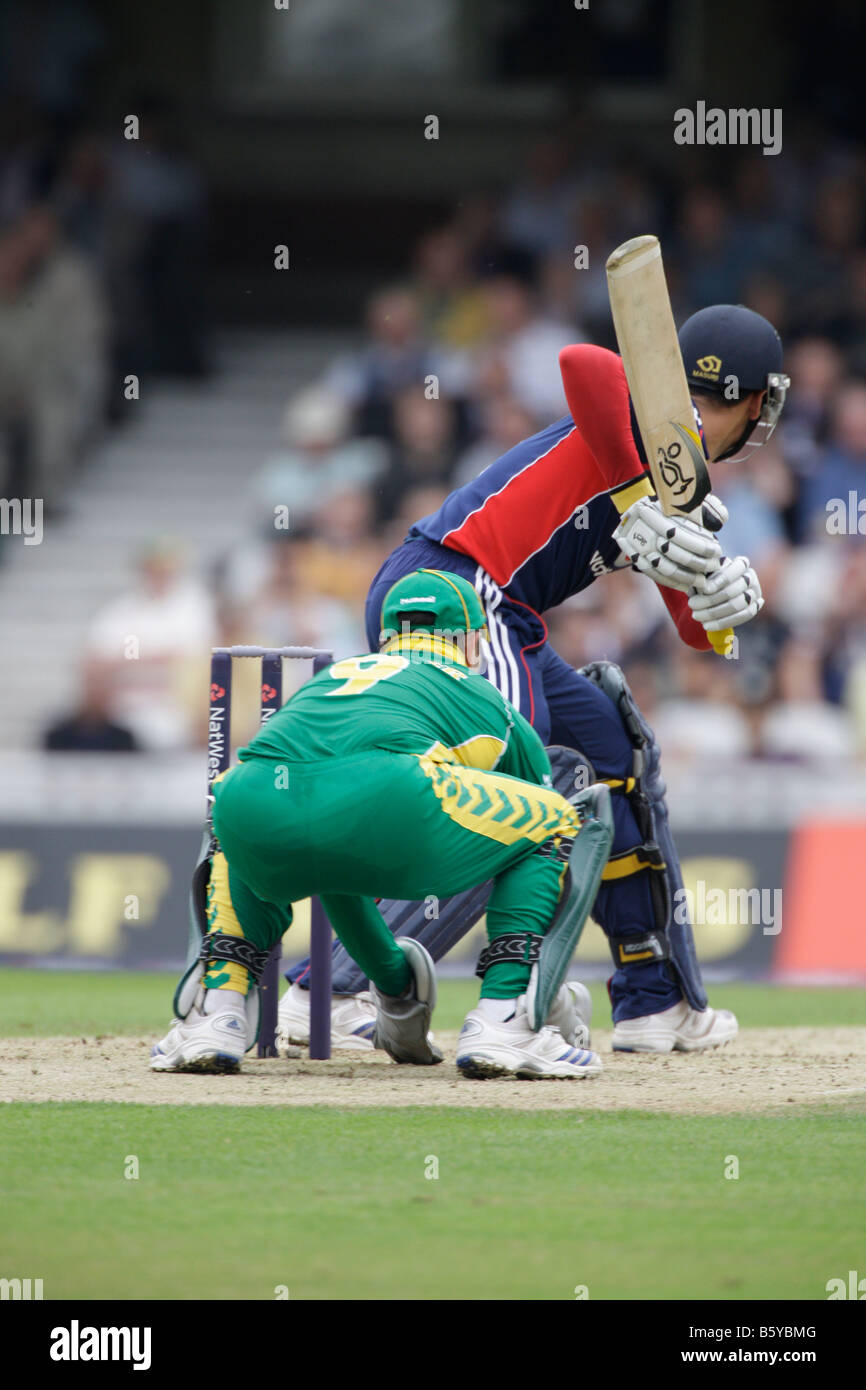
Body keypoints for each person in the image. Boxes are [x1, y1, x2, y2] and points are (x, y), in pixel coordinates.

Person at [284, 302, 787, 1055]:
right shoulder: (641, 431)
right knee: (517, 787)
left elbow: (694, 629)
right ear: (755, 402)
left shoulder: (679, 486)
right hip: (456, 591)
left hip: (503, 615)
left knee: (614, 751)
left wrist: (721, 590)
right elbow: (582, 365)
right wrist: (641, 482)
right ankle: (329, 991)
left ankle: (655, 1000)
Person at [152, 570, 610, 1081]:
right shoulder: (483, 696)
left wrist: (396, 986)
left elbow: (333, 857)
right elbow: (537, 807)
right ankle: (506, 1014)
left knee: (259, 825)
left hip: (247, 796)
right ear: (470, 638)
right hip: (392, 800)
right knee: (556, 819)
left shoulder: (336, 674)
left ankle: (216, 1010)